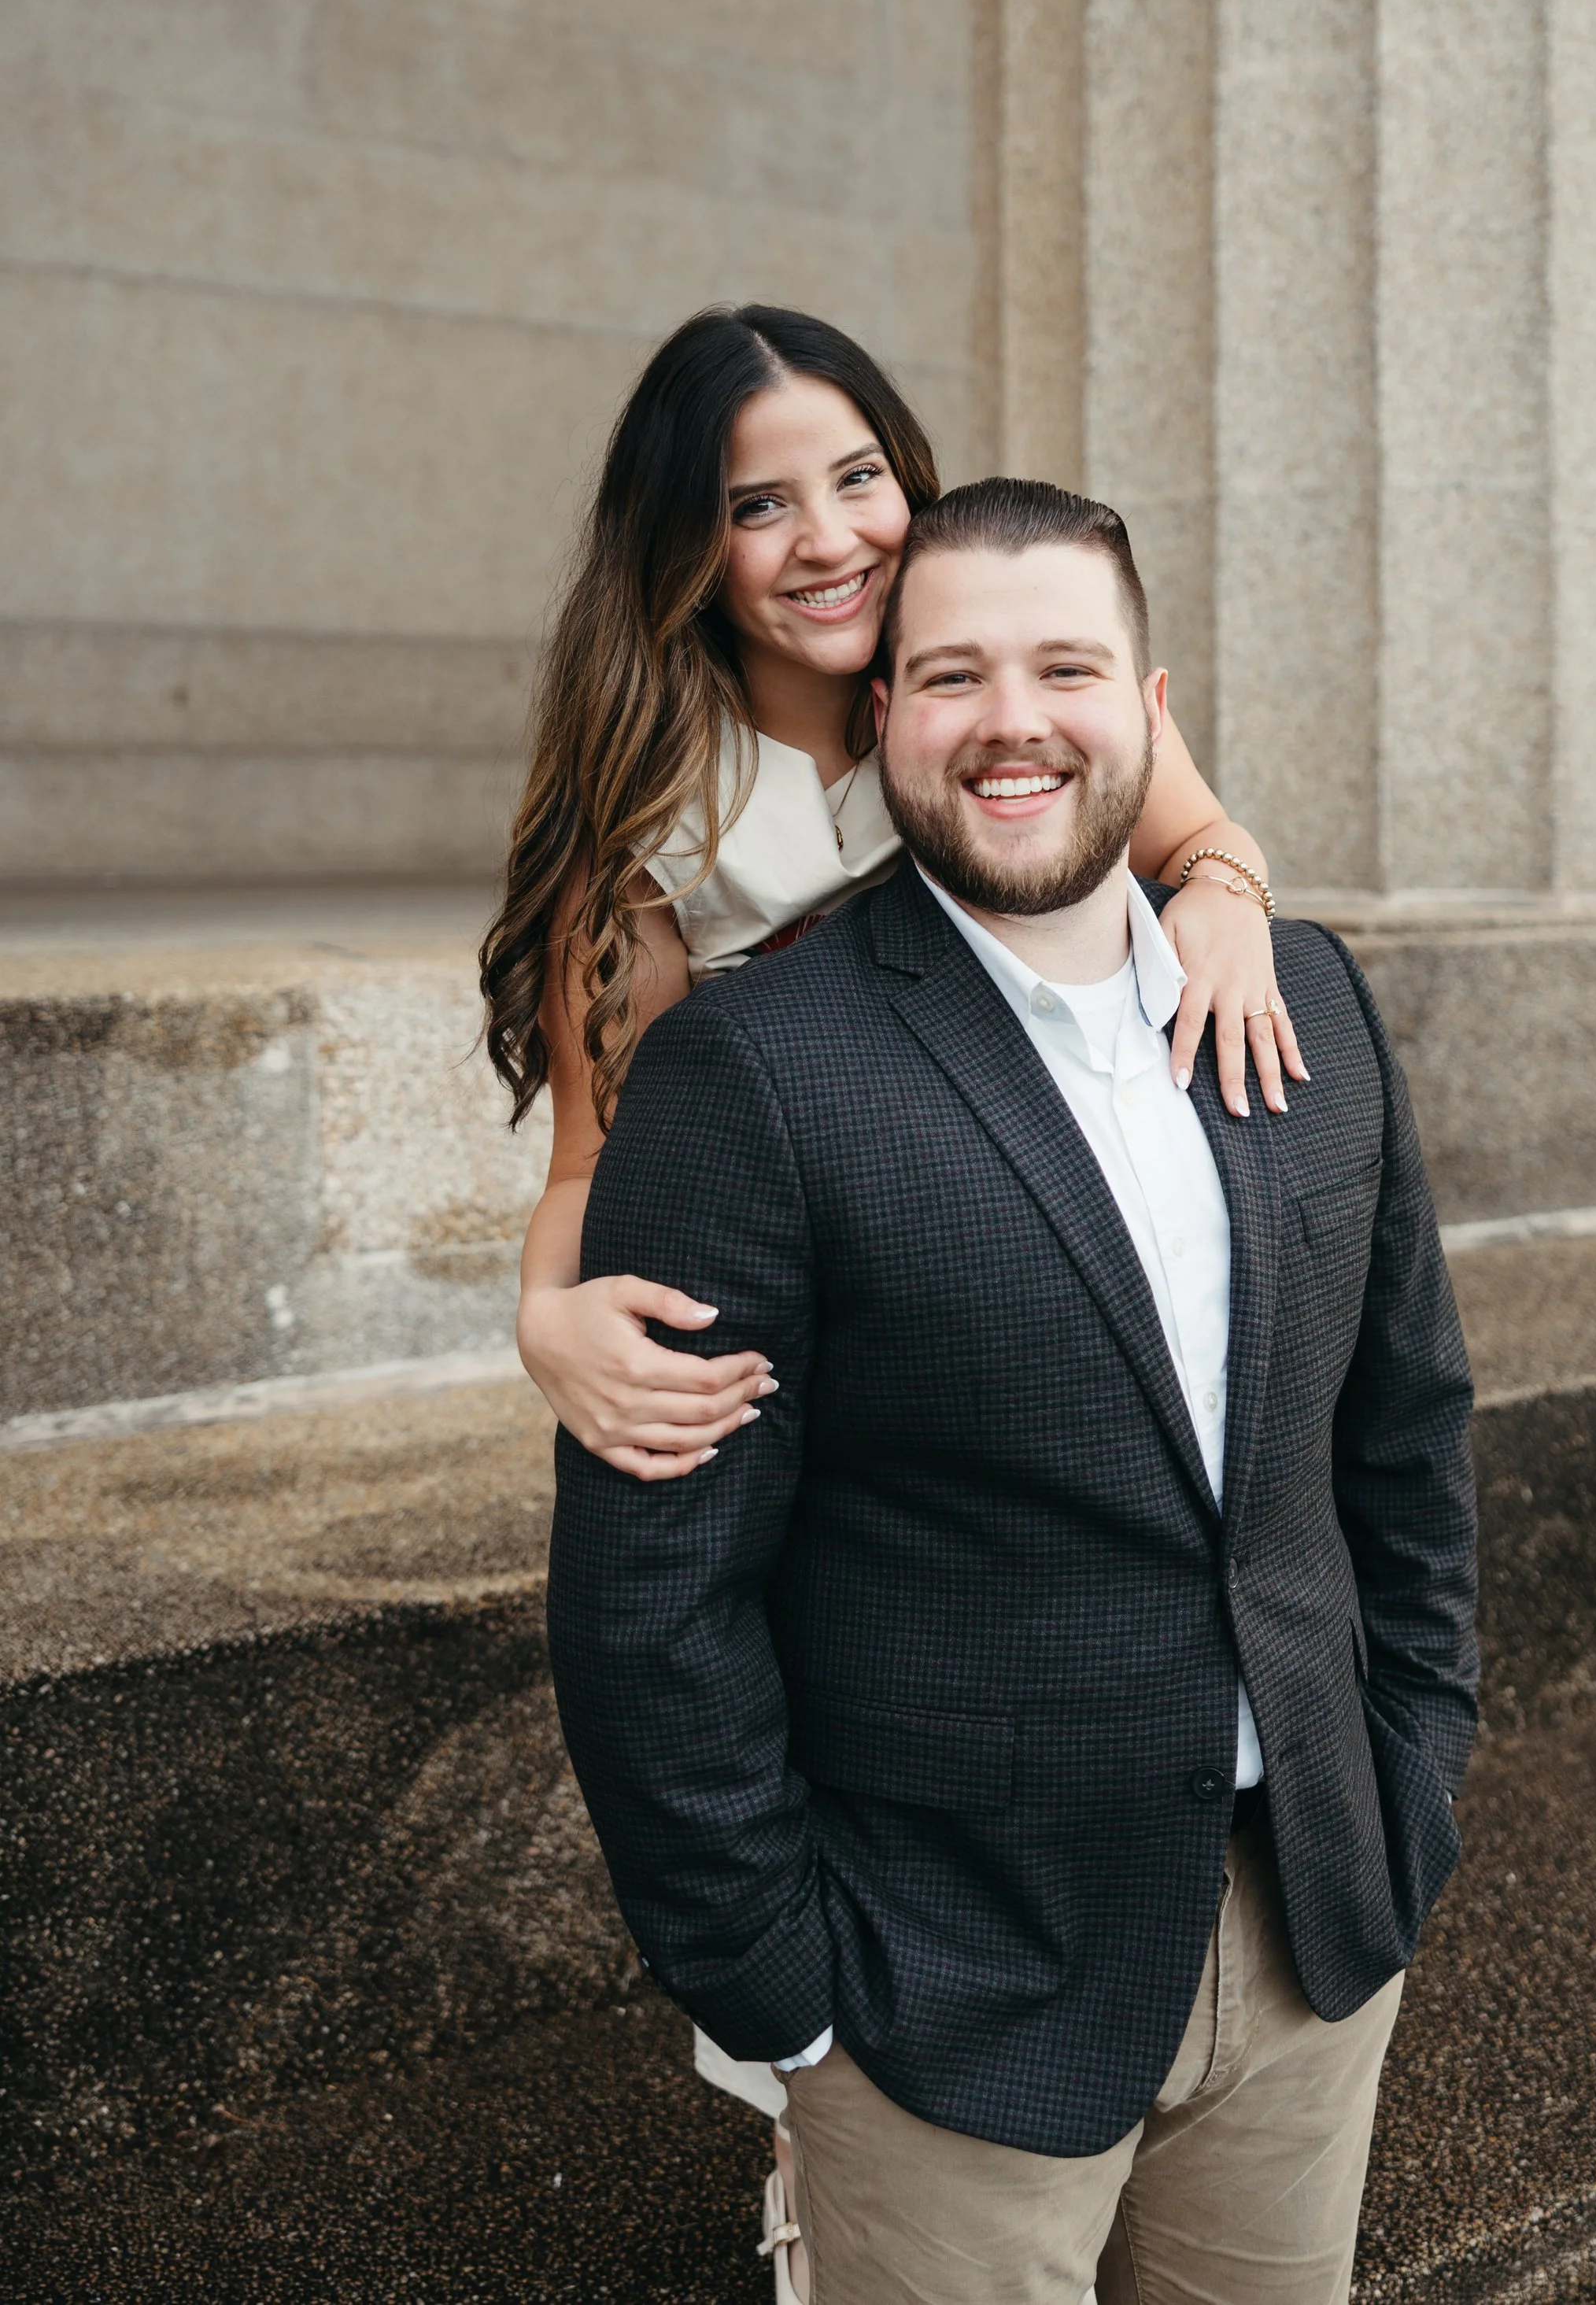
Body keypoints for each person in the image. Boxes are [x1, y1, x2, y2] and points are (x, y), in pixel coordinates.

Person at [548, 476, 1480, 2305]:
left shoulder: (1303, 1005)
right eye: (952, 674)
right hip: (935, 1994)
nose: (1012, 721)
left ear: (1149, 703)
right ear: (882, 713)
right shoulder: (752, 1072)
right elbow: (656, 1595)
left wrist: (1412, 1775)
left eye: (1065, 666)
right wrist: (781, 1991)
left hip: (1309, 1934)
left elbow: (1402, 1434)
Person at [478, 306, 1306, 2288]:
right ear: (685, 550)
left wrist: (1226, 906)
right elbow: (599, 1164)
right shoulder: (660, 849)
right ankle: (822, 2178)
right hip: (842, 1360)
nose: (827, 532)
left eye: (856, 472)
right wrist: (538, 1315)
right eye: (756, 503)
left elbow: (1191, 830)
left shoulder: (996, 671)